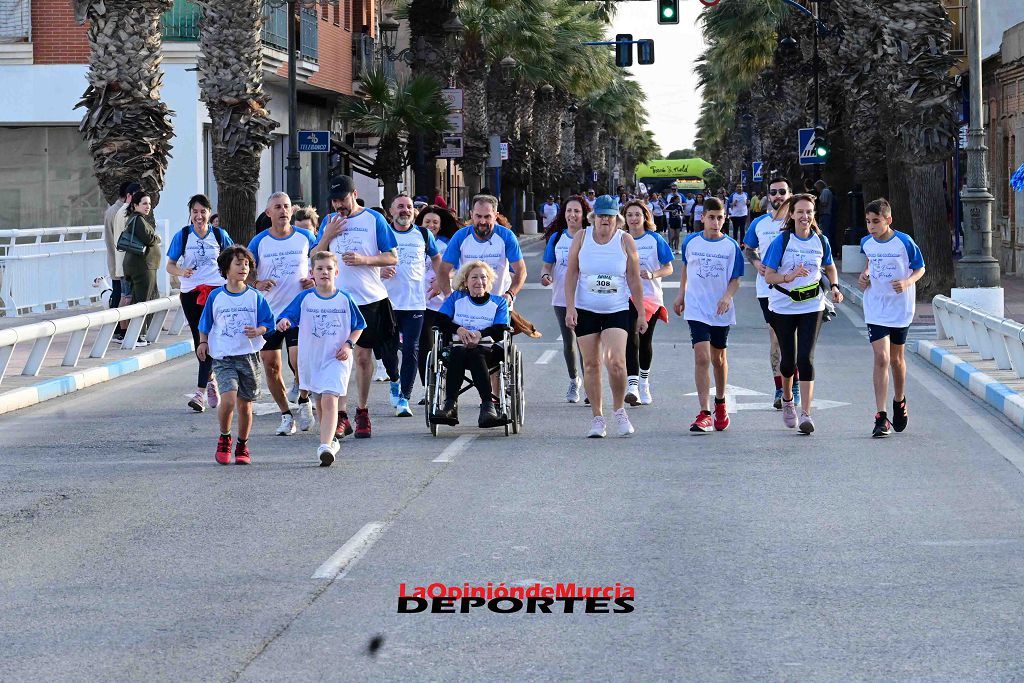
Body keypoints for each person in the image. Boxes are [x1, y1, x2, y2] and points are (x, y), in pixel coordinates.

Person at [314, 175, 399, 439]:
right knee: (339, 358)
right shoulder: (329, 221)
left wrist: (364, 259)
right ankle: (341, 416)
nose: (339, 205)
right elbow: (314, 257)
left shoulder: (374, 220)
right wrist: (327, 235)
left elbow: (391, 256)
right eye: (335, 200)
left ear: (355, 194)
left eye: (343, 199)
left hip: (369, 299)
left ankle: (362, 410)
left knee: (363, 357)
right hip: (337, 301)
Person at [565, 195, 646, 438]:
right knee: (590, 364)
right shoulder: (581, 238)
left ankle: (619, 410)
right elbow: (571, 274)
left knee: (616, 362)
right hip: (586, 309)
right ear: (593, 218)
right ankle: (598, 418)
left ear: (617, 219)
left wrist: (641, 313)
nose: (605, 221)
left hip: (617, 309)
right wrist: (570, 307)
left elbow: (633, 278)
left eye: (610, 217)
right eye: (601, 216)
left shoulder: (625, 241)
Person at [762, 193, 844, 434]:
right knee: (788, 361)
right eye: (800, 212)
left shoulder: (821, 241)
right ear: (792, 215)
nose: (805, 216)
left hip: (812, 304)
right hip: (783, 305)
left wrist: (836, 287)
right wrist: (789, 277)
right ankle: (788, 401)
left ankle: (807, 413)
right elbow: (769, 276)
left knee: (805, 359)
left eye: (809, 212)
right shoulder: (782, 241)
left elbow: (829, 267)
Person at [276, 252, 366, 466]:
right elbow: (287, 315)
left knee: (329, 398)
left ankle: (324, 445)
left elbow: (359, 326)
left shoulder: (345, 298)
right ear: (312, 273)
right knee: (320, 401)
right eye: (319, 269)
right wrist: (284, 322)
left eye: (328, 268)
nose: (324, 272)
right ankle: (332, 439)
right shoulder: (305, 298)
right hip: (312, 358)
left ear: (336, 272)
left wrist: (349, 344)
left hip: (337, 357)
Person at [197, 245, 276, 465]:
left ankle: (242, 444)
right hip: (223, 357)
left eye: (246, 264)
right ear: (226, 268)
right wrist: (203, 342)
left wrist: (258, 331)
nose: (243, 267)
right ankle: (224, 438)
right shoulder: (216, 296)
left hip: (248, 356)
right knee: (229, 399)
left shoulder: (255, 296)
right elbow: (205, 323)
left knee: (245, 405)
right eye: (238, 263)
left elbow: (268, 323)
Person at [248, 192, 318, 436]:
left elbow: (323, 263)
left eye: (286, 206)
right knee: (271, 366)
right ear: (269, 213)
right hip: (270, 313)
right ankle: (286, 415)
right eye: (277, 207)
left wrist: (313, 280)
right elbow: (245, 270)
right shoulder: (259, 242)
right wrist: (256, 283)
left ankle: (304, 399)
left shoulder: (306, 237)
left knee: (299, 359)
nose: (283, 211)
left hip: (299, 311)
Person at [672, 197, 744, 433]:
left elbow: (736, 279)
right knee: (701, 357)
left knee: (718, 358)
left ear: (725, 219)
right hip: (696, 308)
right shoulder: (691, 242)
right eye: (711, 217)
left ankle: (720, 402)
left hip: (720, 310)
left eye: (720, 218)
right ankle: (704, 413)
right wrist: (681, 295)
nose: (715, 222)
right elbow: (686, 269)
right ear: (702, 218)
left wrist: (727, 296)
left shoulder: (731, 246)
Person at [857, 198, 925, 438]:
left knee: (896, 359)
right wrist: (864, 276)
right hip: (875, 305)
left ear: (888, 220)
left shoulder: (904, 242)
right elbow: (869, 264)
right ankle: (881, 416)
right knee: (881, 357)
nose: (871, 226)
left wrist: (907, 281)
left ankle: (899, 400)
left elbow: (920, 268)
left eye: (876, 221)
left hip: (900, 307)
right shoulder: (866, 242)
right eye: (868, 222)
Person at [165, 193, 233, 412]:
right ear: (190, 214)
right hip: (190, 292)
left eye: (203, 211)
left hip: (214, 291)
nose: (199, 216)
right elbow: (170, 265)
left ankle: (199, 393)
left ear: (209, 213)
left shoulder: (220, 235)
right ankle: (211, 380)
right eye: (195, 212)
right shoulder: (183, 235)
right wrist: (182, 271)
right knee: (198, 339)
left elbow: (233, 257)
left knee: (210, 337)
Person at [431, 260, 511, 428]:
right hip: (457, 348)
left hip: (488, 350)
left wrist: (480, 334)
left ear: (489, 281)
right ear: (465, 282)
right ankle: (450, 406)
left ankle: (488, 408)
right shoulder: (456, 298)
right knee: (459, 352)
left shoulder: (499, 302)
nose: (479, 281)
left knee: (476, 353)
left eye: (483, 277)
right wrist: (459, 329)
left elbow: (501, 329)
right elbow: (440, 320)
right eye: (474, 277)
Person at [381, 194, 441, 417]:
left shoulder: (423, 235)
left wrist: (439, 279)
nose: (405, 211)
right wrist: (379, 270)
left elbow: (437, 259)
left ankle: (404, 397)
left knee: (411, 349)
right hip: (386, 302)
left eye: (408, 207)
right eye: (400, 207)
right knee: (387, 351)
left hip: (415, 302)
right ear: (391, 211)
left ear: (414, 212)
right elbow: (367, 263)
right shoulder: (382, 233)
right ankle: (394, 381)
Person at [742, 176, 800, 408]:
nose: (777, 196)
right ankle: (780, 388)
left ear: (790, 194)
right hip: (767, 289)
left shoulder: (799, 221)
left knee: (792, 340)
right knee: (776, 338)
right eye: (773, 192)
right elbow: (749, 249)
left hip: (795, 290)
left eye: (782, 192)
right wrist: (756, 264)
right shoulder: (759, 224)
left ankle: (793, 385)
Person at [620, 201, 673, 406]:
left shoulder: (654, 239)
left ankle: (644, 382)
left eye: (637, 215)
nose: (633, 219)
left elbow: (668, 267)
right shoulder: (620, 239)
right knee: (629, 338)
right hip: (625, 296)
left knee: (645, 340)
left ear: (645, 217)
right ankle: (632, 385)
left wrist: (652, 274)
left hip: (650, 297)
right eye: (629, 215)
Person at [540, 194, 589, 403]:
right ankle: (573, 380)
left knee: (585, 344)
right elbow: (546, 265)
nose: (572, 215)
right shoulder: (557, 237)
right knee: (569, 344)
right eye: (569, 211)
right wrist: (545, 276)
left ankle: (590, 386)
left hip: (586, 299)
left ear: (584, 214)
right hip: (561, 298)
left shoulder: (591, 236)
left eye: (577, 211)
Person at [439, 194, 526, 305]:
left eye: (487, 217)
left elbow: (521, 271)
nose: (482, 221)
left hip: (499, 303)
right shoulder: (460, 236)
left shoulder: (506, 236)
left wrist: (510, 294)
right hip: (468, 304)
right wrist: (448, 295)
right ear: (471, 215)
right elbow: (443, 270)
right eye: (478, 216)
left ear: (495, 216)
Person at [418, 205, 461, 402]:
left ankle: (448, 389)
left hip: (443, 302)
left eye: (435, 222)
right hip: (421, 302)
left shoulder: (448, 244)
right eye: (427, 222)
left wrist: (441, 280)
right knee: (424, 347)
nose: (431, 225)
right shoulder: (415, 240)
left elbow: (455, 268)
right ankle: (429, 389)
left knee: (447, 347)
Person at [120, 189, 162, 346]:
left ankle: (137, 334)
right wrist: (157, 237)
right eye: (144, 203)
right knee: (142, 301)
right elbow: (149, 239)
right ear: (135, 205)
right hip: (143, 267)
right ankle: (137, 335)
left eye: (149, 204)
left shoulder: (137, 219)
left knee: (139, 299)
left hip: (143, 265)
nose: (148, 206)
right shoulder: (138, 220)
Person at [103, 181, 140, 314]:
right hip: (121, 261)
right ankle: (119, 329)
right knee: (122, 296)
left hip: (116, 260)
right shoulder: (121, 212)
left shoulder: (112, 210)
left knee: (119, 294)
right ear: (128, 195)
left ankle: (118, 329)